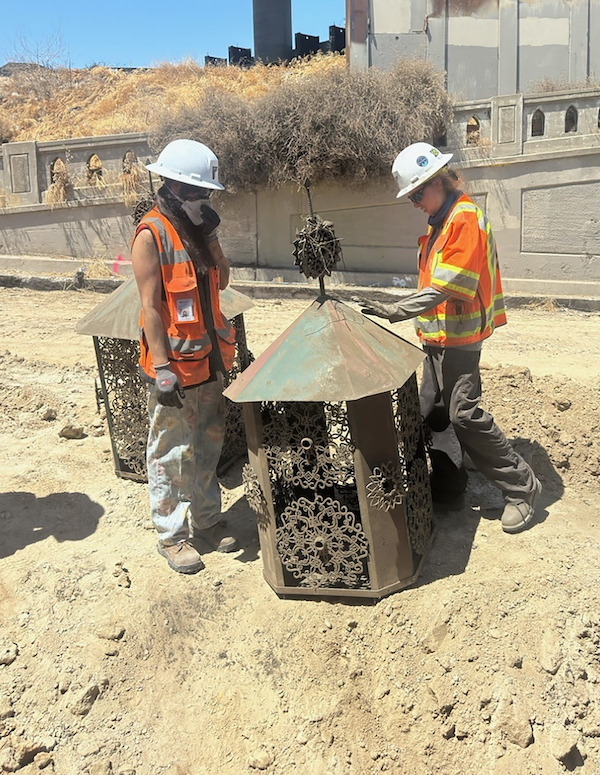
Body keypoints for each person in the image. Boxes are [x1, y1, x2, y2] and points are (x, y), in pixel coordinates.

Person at [361, 142, 541, 534]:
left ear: (438, 181)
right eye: (410, 197)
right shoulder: (439, 223)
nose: (414, 203)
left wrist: (396, 310)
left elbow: (447, 285)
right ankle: (448, 488)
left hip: (460, 338)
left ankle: (522, 487)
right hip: (436, 337)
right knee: (434, 412)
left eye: (417, 194)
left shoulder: (465, 219)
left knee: (463, 414)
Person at [131, 139, 239, 573]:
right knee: (171, 452)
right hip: (174, 369)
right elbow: (150, 308)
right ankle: (172, 537)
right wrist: (161, 369)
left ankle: (207, 520)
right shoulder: (151, 233)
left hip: (209, 361)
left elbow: (223, 280)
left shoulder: (198, 230)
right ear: (174, 187)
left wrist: (211, 238)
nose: (203, 199)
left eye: (206, 193)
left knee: (208, 445)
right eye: (198, 192)